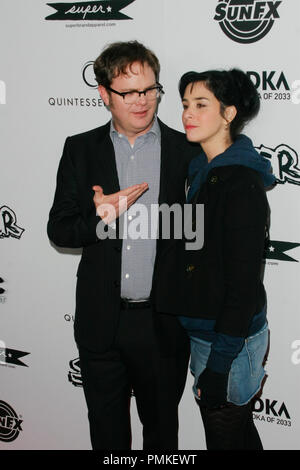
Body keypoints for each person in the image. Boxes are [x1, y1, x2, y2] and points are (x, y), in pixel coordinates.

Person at [47, 41, 199, 450]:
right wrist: (99, 219)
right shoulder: (79, 149)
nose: (143, 101)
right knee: (108, 439)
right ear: (103, 94)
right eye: (129, 92)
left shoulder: (187, 150)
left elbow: (200, 236)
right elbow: (59, 230)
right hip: (101, 324)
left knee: (163, 437)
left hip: (163, 323)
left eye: (150, 89)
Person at [153, 69, 276, 450]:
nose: (188, 113)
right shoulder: (199, 172)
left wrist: (220, 363)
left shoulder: (241, 182)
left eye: (201, 104)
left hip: (228, 341)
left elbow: (242, 285)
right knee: (237, 437)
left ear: (229, 113)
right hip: (206, 332)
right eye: (186, 104)